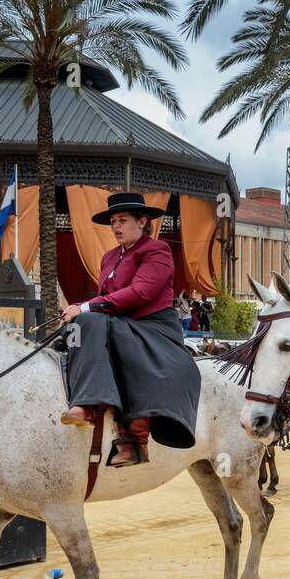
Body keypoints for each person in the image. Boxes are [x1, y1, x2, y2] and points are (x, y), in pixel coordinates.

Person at [59, 192, 201, 466]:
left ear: (142, 221)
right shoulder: (109, 257)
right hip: (120, 322)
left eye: (123, 220)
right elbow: (105, 300)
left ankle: (98, 411)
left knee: (89, 319)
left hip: (152, 327)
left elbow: (140, 293)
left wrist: (87, 307)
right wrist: (76, 308)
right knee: (75, 326)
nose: (116, 227)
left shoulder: (157, 250)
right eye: (113, 221)